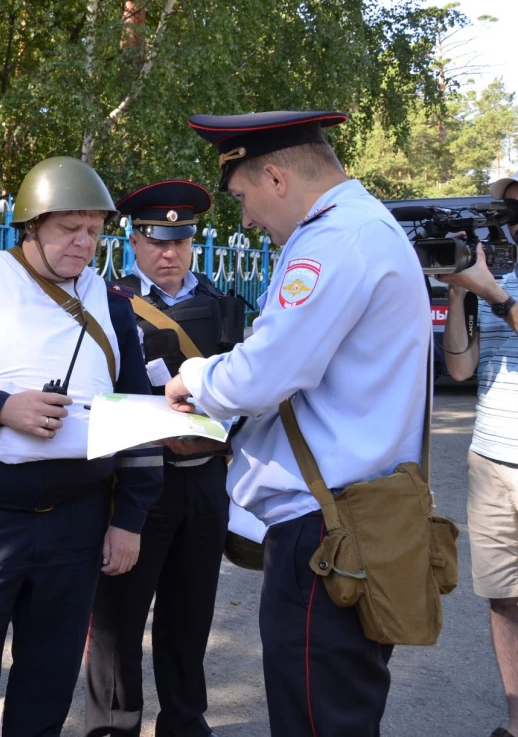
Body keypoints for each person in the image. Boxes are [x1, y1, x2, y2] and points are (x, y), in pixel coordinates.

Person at [163, 111, 431, 737]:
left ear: (276, 178)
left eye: (242, 199)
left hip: (328, 533)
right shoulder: (360, 228)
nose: (247, 220)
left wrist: (193, 379)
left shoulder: (336, 240)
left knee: (318, 716)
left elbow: (264, 373)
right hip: (349, 517)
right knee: (334, 708)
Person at [0, 156, 163, 737]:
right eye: (69, 227)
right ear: (32, 225)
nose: (83, 243)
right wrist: (0, 408)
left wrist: (131, 520)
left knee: (47, 682)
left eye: (93, 230)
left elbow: (141, 419)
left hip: (78, 522)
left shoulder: (113, 305)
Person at [85, 180, 244, 737]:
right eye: (157, 242)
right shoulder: (106, 303)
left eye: (180, 240)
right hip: (136, 482)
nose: (169, 253)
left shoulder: (226, 304)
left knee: (190, 613)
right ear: (134, 241)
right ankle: (113, 725)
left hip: (204, 481)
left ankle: (184, 721)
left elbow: (248, 389)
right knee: (117, 619)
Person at [441, 173, 518, 737]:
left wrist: (495, 295)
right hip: (491, 459)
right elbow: (462, 370)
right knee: (504, 599)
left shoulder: (504, 289)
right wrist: (460, 290)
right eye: (505, 209)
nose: (512, 218)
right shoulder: (500, 278)